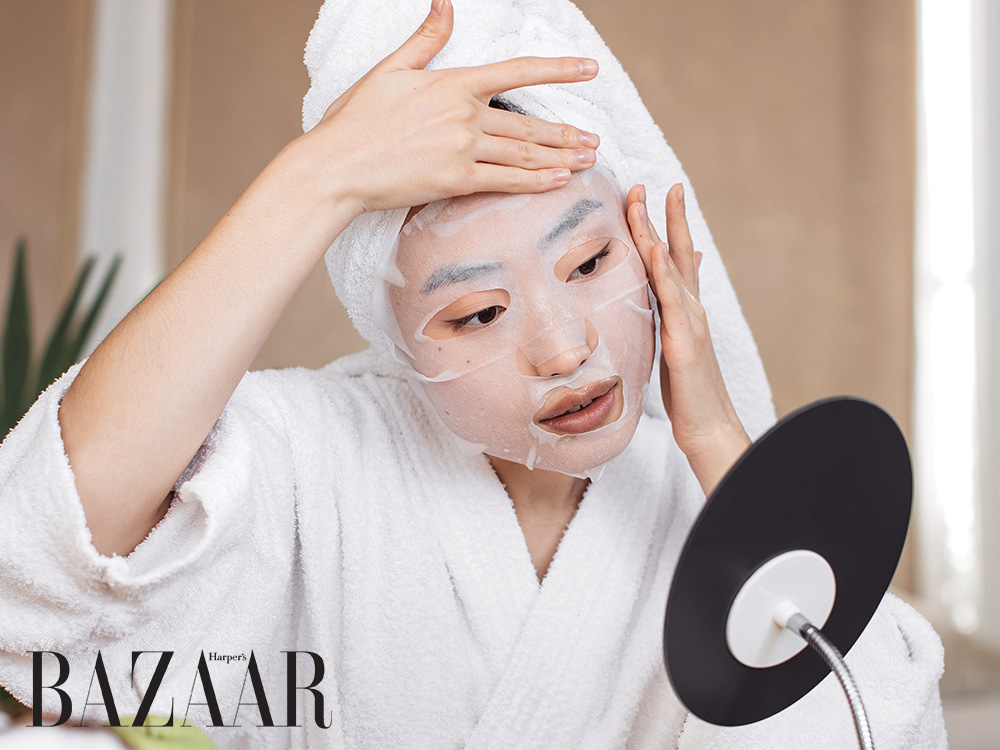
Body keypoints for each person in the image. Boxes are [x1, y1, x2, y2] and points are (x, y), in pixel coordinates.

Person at [0, 0, 946, 748]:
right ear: (396, 339)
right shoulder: (312, 457)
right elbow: (43, 556)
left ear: (653, 250)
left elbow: (880, 724)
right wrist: (319, 178)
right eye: (478, 314)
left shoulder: (704, 501)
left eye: (590, 262)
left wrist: (719, 444)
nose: (564, 348)